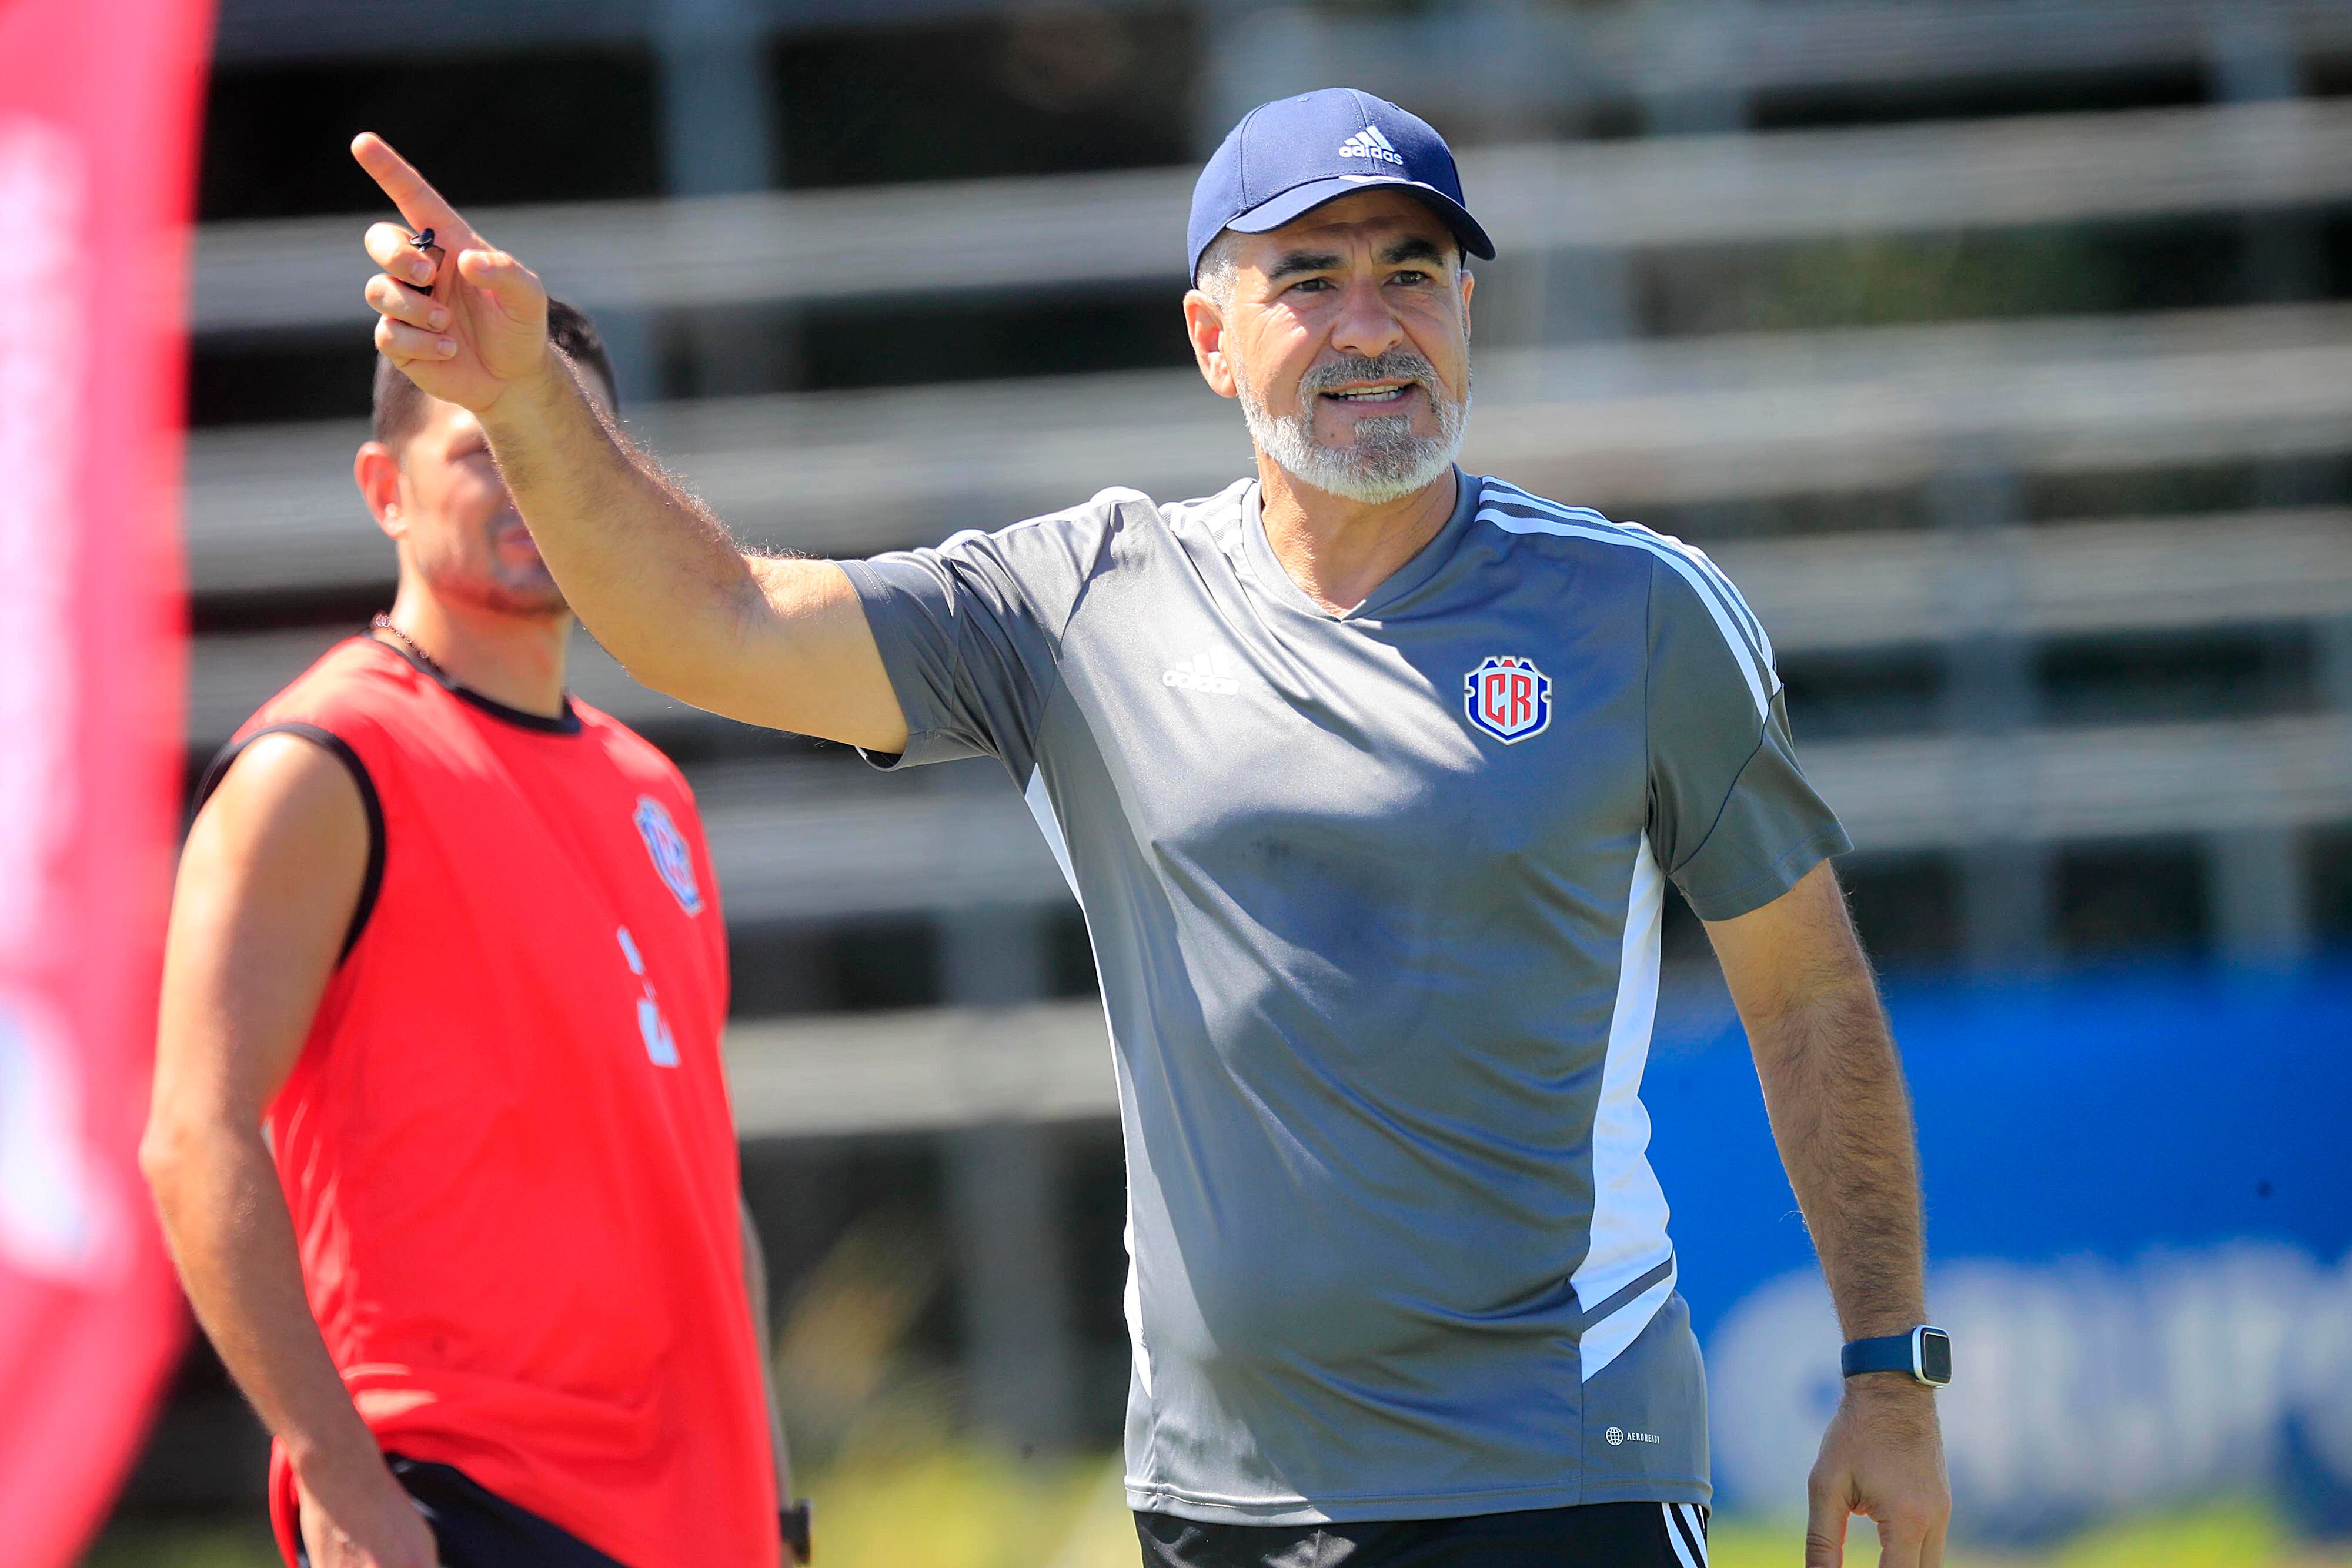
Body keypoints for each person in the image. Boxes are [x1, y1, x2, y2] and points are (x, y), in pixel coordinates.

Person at [346, 86, 1950, 1568]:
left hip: (1560, 1472)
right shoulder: (1083, 603)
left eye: (1415, 273)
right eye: (1310, 279)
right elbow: (717, 623)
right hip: (1220, 1494)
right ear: (1210, 335)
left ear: (1471, 311)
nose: (1374, 326)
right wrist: (525, 399)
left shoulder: (1641, 614)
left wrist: (1889, 1369)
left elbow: (1807, 991)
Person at [142, 301, 806, 1568]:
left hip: (698, 1522)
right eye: (480, 448)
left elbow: (698, 1174)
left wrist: (772, 1500)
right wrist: (339, 1480)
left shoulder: (649, 786)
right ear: (384, 490)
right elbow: (192, 1134)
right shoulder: (328, 761)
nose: (526, 483)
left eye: (556, 445)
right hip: (467, 1499)